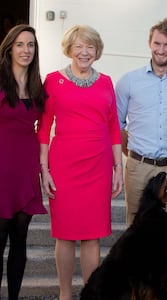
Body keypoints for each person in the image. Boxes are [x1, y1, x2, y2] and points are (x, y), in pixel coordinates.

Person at [37, 25, 123, 300]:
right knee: (64, 234)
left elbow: (112, 127)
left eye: (90, 47)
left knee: (92, 235)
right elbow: (44, 126)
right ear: (69, 49)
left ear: (97, 51)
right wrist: (44, 169)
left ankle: (90, 294)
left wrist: (117, 167)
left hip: (98, 167)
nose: (84, 52)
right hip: (63, 166)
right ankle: (65, 295)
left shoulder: (107, 81)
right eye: (79, 46)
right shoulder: (52, 80)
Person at [116, 18, 167, 225]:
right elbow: (117, 124)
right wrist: (132, 152)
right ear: (149, 43)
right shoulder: (129, 81)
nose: (161, 50)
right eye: (157, 43)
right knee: (136, 224)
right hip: (138, 167)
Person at [0, 24, 47, 300]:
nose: (25, 50)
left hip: (26, 168)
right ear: (9, 48)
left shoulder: (38, 85)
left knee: (20, 240)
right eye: (20, 44)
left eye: (30, 45)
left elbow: (46, 126)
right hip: (2, 168)